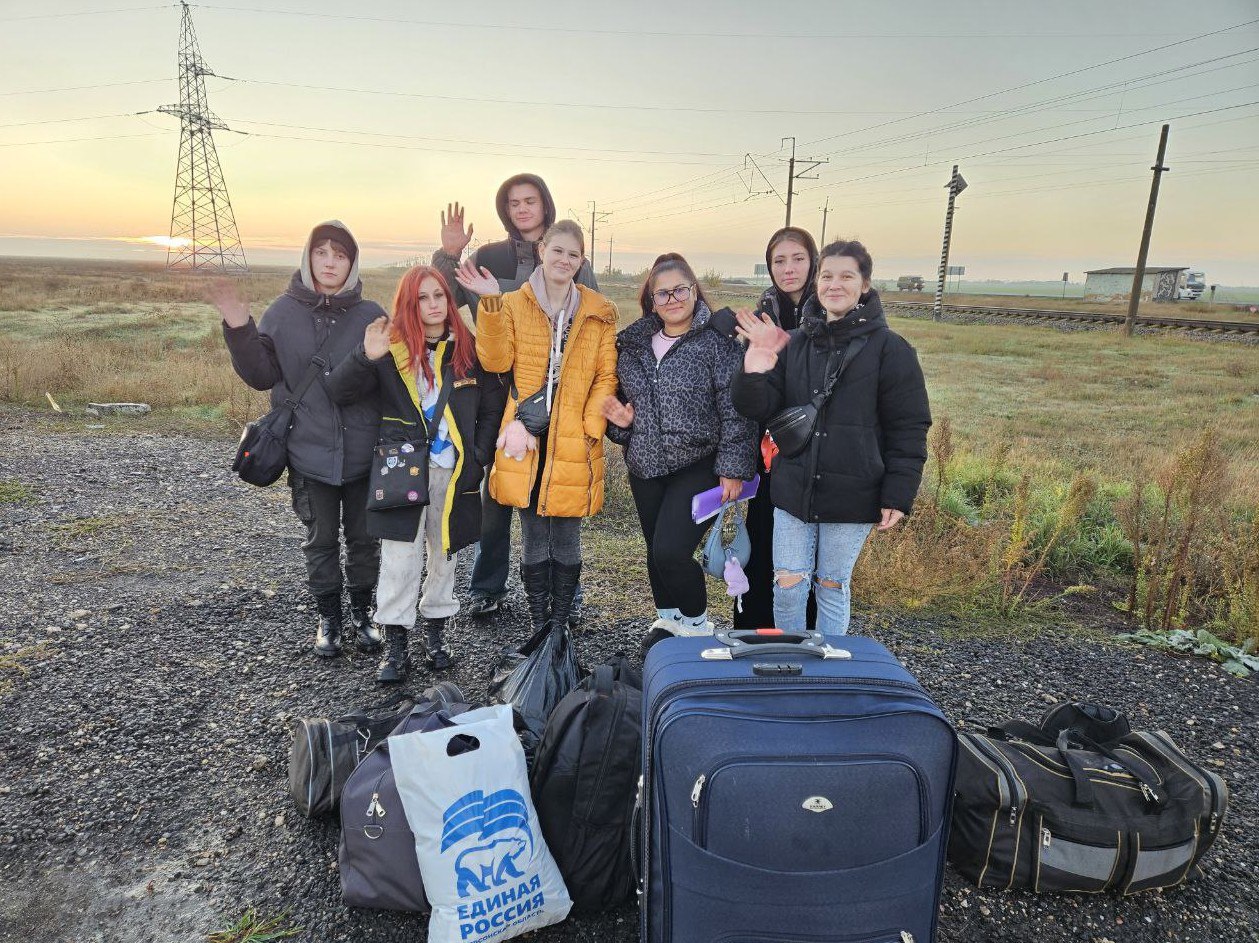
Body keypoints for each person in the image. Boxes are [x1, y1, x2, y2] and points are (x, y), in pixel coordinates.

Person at [731, 239, 931, 634]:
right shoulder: (799, 344)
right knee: (788, 585)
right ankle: (791, 669)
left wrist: (897, 493)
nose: (834, 285)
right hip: (792, 489)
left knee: (832, 586)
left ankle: (830, 669)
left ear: (866, 285)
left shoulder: (891, 350)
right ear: (817, 284)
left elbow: (909, 426)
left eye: (846, 276)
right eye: (826, 276)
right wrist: (754, 368)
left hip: (854, 492)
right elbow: (760, 407)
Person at [432, 175, 600, 621]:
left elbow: (591, 330)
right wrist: (449, 255)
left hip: (558, 399)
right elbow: (445, 295)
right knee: (500, 491)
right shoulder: (489, 257)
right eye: (513, 202)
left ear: (545, 205)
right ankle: (489, 586)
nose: (522, 208)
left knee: (557, 496)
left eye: (530, 200)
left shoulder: (572, 260)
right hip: (499, 392)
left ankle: (567, 597)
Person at [214, 221, 385, 657]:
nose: (330, 262)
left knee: (365, 540)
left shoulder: (371, 314)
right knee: (321, 539)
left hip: (364, 454)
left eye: (341, 254)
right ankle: (329, 617)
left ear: (353, 262)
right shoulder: (282, 312)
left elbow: (390, 379)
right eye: (322, 252)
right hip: (307, 453)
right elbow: (261, 375)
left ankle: (363, 612)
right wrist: (237, 325)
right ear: (308, 257)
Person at [326, 266, 505, 683]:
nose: (432, 305)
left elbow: (493, 404)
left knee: (445, 553)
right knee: (399, 558)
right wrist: (363, 357)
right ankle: (396, 643)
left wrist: (478, 456)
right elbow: (340, 392)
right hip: (400, 469)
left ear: (448, 299)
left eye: (439, 295)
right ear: (410, 303)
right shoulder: (390, 350)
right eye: (422, 298)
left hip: (453, 469)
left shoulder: (468, 351)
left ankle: (436, 635)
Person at [455, 219, 617, 640]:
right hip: (525, 435)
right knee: (531, 534)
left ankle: (560, 624)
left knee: (566, 536)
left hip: (572, 438)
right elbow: (494, 361)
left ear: (582, 261)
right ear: (542, 249)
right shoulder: (513, 303)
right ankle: (538, 624)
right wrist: (490, 305)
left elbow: (605, 376)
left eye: (574, 254)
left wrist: (590, 426)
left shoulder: (599, 311)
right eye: (557, 250)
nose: (565, 260)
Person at [602, 253, 756, 636]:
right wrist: (621, 426)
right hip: (645, 466)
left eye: (679, 290)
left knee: (671, 552)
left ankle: (697, 624)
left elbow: (736, 408)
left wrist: (733, 469)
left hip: (699, 464)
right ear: (651, 300)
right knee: (655, 553)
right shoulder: (633, 345)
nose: (672, 299)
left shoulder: (719, 342)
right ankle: (669, 621)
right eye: (662, 293)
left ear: (694, 291)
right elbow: (624, 410)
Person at [737, 227, 821, 629]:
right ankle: (756, 631)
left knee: (808, 554)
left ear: (813, 261)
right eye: (779, 261)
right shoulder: (762, 313)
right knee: (764, 540)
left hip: (817, 451)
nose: (789, 269)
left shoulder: (832, 312)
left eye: (798, 259)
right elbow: (752, 385)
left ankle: (804, 637)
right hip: (769, 451)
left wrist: (780, 345)